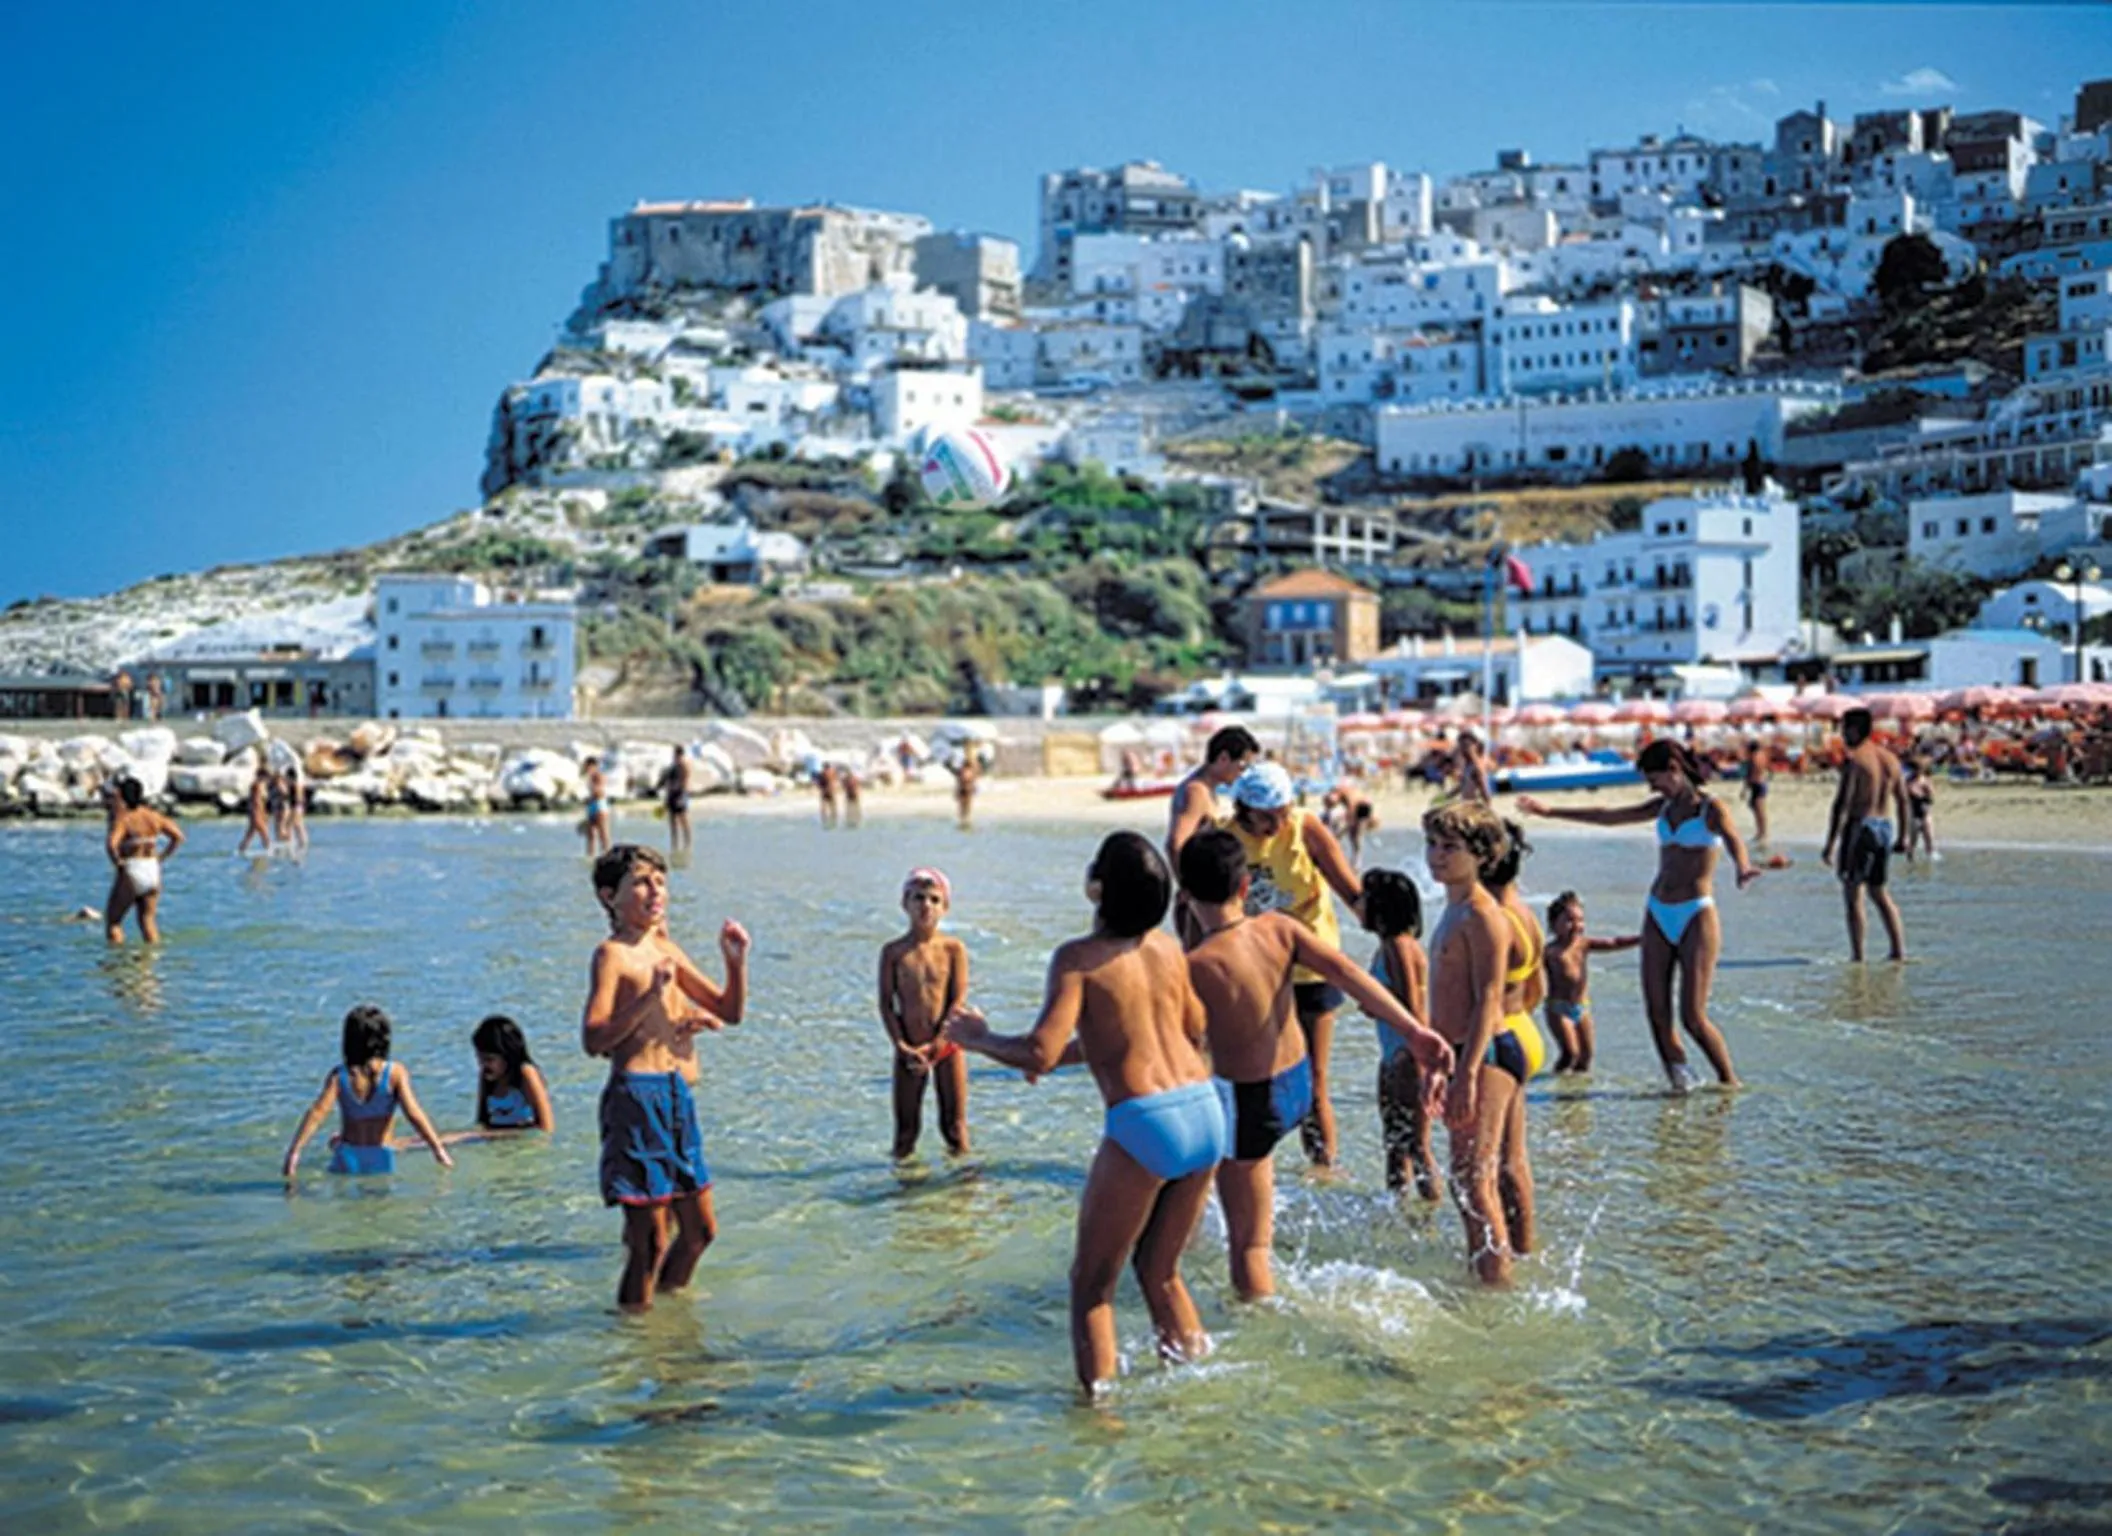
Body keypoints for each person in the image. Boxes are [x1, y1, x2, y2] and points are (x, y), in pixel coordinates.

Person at [943, 831, 1225, 1398]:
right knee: (1161, 1272)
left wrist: (979, 1038)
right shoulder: (1168, 949)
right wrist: (1065, 1054)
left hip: (1146, 1122)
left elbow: (1040, 1052)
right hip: (1204, 1111)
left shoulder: (1076, 960)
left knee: (1092, 1286)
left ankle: (1100, 1422)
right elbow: (1189, 1030)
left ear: (1097, 888)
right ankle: (1199, 1390)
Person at [1179, 830, 1449, 1299]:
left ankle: (1255, 1319)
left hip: (1251, 1101)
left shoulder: (1195, 965)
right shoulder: (1279, 929)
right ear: (1245, 885)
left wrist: (1052, 1054)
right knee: (1219, 1192)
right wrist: (1413, 1030)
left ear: (1184, 895)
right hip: (1297, 1085)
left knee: (1248, 1246)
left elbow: (1153, 1039)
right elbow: (1347, 973)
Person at [1519, 739, 1755, 1092]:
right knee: (1656, 1011)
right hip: (1657, 910)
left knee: (1692, 1016)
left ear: (1674, 769)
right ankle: (1681, 1084)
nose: (1652, 788)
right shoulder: (1662, 807)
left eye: (1655, 779)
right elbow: (1608, 816)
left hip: (1696, 913)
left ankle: (1728, 1084)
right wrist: (1549, 812)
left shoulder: (1711, 809)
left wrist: (1743, 866)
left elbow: (1734, 838)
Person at [581, 844, 751, 1311]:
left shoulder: (666, 949)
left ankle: (672, 1314)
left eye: (660, 881)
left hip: (676, 1094)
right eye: (641, 882)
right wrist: (648, 998)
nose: (655, 890)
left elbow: (730, 1011)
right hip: (635, 1097)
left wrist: (735, 962)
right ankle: (636, 1331)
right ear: (609, 896)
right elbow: (593, 1039)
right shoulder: (612, 955)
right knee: (649, 1242)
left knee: (700, 1231)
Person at [1224, 761, 1364, 1169]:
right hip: (1258, 971)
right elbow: (1199, 905)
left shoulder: (1305, 827)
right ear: (1243, 810)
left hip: (1313, 965)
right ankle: (1251, 1171)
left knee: (1315, 1081)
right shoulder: (1224, 838)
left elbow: (1351, 892)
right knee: (1254, 1077)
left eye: (1283, 812)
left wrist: (1389, 934)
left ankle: (1324, 1169)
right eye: (1267, 817)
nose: (1278, 824)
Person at [1421, 801, 1523, 1285]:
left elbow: (1488, 999)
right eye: (1432, 845)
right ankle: (1485, 1272)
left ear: (1480, 855)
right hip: (1461, 1053)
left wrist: (1466, 1075)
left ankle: (1497, 1291)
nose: (1436, 856)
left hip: (1486, 1053)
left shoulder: (1484, 916)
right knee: (1471, 1181)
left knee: (1475, 1182)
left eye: (1450, 847)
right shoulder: (1454, 908)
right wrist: (1438, 1065)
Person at [282, 1004, 453, 1178]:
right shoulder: (395, 1073)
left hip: (347, 1155)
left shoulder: (339, 1076)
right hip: (381, 1155)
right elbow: (413, 1113)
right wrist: (438, 1149)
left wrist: (294, 1152)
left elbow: (317, 1113)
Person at [1479, 819, 1545, 1261]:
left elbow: (1482, 997)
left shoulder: (1495, 921)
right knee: (1513, 1160)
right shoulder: (1525, 913)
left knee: (1481, 1171)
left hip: (1497, 1034)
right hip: (1524, 1030)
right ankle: (1523, 1250)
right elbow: (1538, 987)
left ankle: (1495, 1271)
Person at [877, 868, 970, 1158]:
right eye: (918, 898)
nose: (925, 906)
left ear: (945, 906)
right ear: (905, 903)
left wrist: (941, 1040)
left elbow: (957, 999)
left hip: (947, 1046)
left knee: (955, 1129)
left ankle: (964, 1183)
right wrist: (901, 1045)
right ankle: (903, 1184)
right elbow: (886, 1003)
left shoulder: (953, 949)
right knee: (905, 1133)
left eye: (933, 899)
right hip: (910, 1047)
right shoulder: (894, 952)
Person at [1361, 867, 1442, 1200]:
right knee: (1395, 1143)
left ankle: (1428, 1213)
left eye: (1365, 899)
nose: (1360, 906)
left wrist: (1420, 1062)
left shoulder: (1399, 946)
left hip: (1407, 1055)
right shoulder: (1388, 946)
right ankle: (1398, 1211)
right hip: (1393, 1053)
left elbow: (1412, 1006)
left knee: (1417, 1145)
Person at [1823, 707, 1909, 962]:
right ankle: (1898, 951)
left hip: (1860, 827)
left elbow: (1842, 804)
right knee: (1879, 892)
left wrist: (1830, 843)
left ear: (1854, 730)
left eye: (1844, 730)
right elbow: (1903, 799)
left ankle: (1858, 956)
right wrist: (1904, 836)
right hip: (1885, 826)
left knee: (1853, 894)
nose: (1842, 735)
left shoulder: (1855, 759)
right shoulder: (1890, 759)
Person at [1164, 724, 1260, 946]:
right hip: (1201, 900)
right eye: (1242, 766)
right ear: (1223, 758)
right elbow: (1175, 843)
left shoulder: (1205, 788)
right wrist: (1189, 890)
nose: (1243, 773)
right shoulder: (1196, 792)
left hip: (1205, 897)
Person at [1541, 891, 1640, 1075]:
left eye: (1580, 920)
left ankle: (1574, 1091)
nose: (1576, 925)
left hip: (1582, 1008)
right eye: (1569, 920)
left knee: (1586, 1057)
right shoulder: (1549, 952)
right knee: (1570, 1054)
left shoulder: (1583, 944)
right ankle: (1552, 1081)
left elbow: (1613, 943)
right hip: (1557, 1009)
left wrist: (1642, 939)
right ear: (1554, 924)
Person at [103, 776, 183, 946]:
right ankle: (151, 959)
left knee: (114, 922)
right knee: (147, 920)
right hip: (152, 868)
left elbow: (111, 844)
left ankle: (116, 959)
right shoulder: (153, 816)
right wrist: (163, 856)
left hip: (133, 867)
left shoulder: (124, 818)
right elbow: (178, 836)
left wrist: (118, 863)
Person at [470, 1014, 555, 1134]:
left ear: (508, 1056)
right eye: (479, 1058)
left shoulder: (526, 1073)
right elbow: (482, 1123)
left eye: (489, 1059)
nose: (482, 1064)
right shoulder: (487, 1075)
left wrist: (495, 1135)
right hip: (497, 1140)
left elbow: (547, 1127)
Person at [658, 746, 694, 854]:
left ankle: (688, 843)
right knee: (672, 821)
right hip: (672, 794)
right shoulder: (673, 766)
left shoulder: (684, 765)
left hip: (680, 794)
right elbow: (667, 781)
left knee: (683, 819)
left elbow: (685, 781)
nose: (675, 757)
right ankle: (675, 844)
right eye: (675, 755)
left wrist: (683, 794)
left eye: (677, 755)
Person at [1904, 753, 1936, 862]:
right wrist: (1913, 793)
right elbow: (1905, 796)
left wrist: (1924, 793)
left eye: (1919, 769)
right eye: (1915, 769)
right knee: (1912, 843)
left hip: (1926, 815)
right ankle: (1910, 861)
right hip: (1914, 816)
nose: (1918, 771)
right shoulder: (1908, 781)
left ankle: (1931, 859)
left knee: (1930, 841)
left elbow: (1931, 798)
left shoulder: (1926, 781)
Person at [238, 759, 273, 856]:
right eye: (267, 777)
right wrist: (262, 815)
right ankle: (271, 852)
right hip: (256, 812)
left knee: (250, 835)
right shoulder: (257, 785)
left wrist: (264, 813)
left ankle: (241, 851)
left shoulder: (261, 785)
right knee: (264, 834)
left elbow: (261, 802)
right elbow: (257, 802)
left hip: (257, 812)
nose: (268, 779)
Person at [581, 757, 612, 859]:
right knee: (590, 834)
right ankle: (590, 856)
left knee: (603, 833)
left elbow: (600, 792)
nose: (586, 768)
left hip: (599, 805)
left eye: (587, 766)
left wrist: (590, 797)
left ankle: (607, 855)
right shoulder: (589, 777)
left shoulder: (599, 775)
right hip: (592, 805)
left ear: (593, 766)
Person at [1743, 737, 1772, 847]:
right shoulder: (1762, 755)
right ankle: (1761, 832)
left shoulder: (1753, 758)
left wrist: (1745, 788)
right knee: (1758, 809)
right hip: (1761, 783)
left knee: (1759, 810)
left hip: (1757, 785)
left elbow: (1751, 774)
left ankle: (1762, 833)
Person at [1454, 731, 1492, 804]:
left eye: (1465, 746)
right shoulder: (1466, 766)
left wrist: (1488, 805)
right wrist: (1448, 795)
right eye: (1461, 746)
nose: (1462, 749)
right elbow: (1462, 785)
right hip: (1466, 803)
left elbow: (1483, 789)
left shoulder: (1475, 767)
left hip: (1473, 805)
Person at [949, 752, 980, 831]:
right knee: (965, 806)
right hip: (966, 789)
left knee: (964, 806)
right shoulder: (969, 771)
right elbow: (972, 781)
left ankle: (963, 821)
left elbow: (960, 782)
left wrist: (956, 792)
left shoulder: (963, 771)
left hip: (965, 789)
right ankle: (965, 821)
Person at [817, 762, 840, 830]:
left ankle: (824, 820)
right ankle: (834, 819)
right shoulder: (833, 772)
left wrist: (822, 788)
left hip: (824, 792)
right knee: (833, 806)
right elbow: (836, 780)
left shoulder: (822, 773)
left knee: (824, 807)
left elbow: (819, 783)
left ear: (824, 767)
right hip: (832, 791)